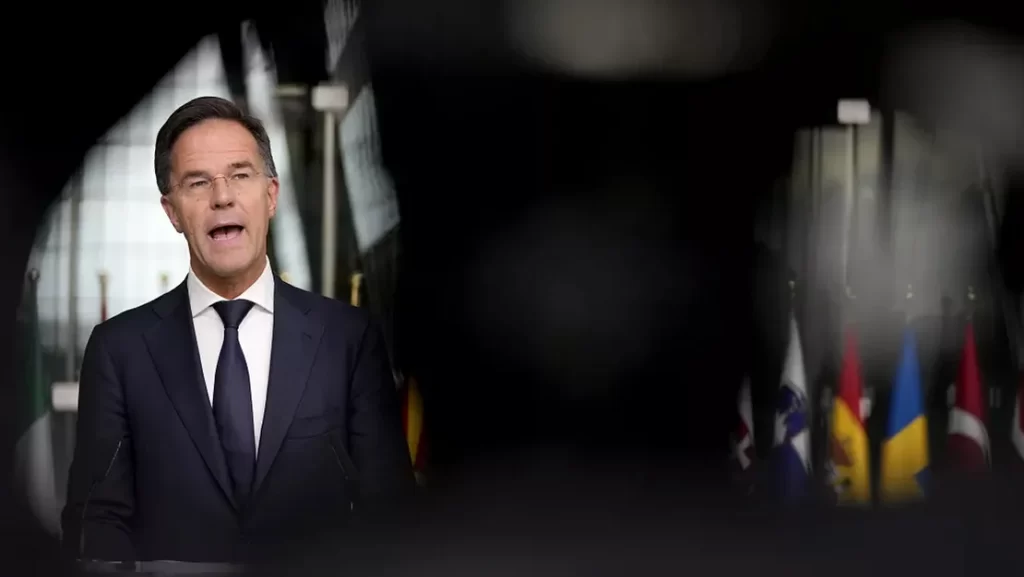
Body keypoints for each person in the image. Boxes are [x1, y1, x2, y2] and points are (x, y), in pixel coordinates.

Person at [61, 96, 414, 564]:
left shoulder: (348, 339)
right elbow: (97, 523)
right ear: (172, 211)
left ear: (271, 196)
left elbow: (390, 516)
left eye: (240, 175)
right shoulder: (119, 350)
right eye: (198, 182)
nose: (222, 197)